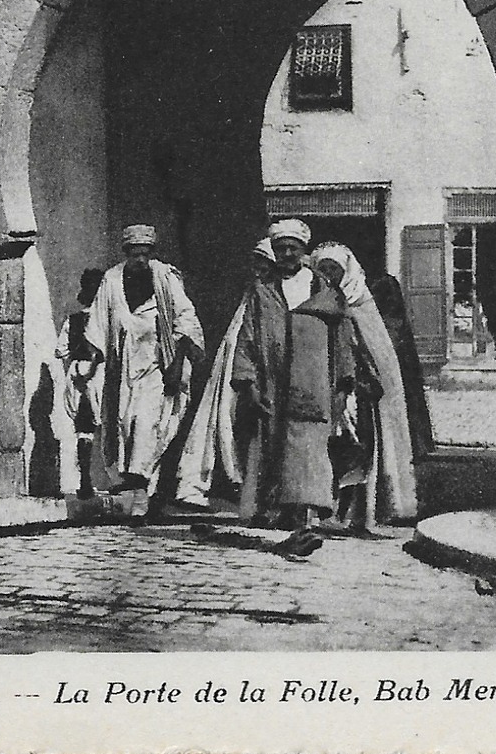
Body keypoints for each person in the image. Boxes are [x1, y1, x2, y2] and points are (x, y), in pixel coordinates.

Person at [231, 219, 355, 541]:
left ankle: (307, 515)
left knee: (310, 446)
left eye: (293, 248)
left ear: (304, 251)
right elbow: (247, 338)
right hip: (274, 381)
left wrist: (343, 384)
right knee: (275, 446)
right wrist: (248, 382)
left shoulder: (324, 290)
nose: (287, 253)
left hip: (314, 382)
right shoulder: (262, 292)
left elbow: (342, 340)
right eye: (281, 248)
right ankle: (280, 510)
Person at [81, 225, 204, 519]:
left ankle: (141, 495)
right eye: (134, 254)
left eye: (145, 254)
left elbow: (185, 319)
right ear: (126, 253)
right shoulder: (111, 280)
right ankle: (134, 494)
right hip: (122, 371)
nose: (140, 261)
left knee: (146, 425)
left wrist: (176, 365)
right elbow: (98, 324)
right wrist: (92, 359)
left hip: (157, 368)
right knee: (123, 425)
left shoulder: (164, 277)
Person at [312, 243, 419, 532]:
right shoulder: (315, 302)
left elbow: (378, 355)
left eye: (334, 269)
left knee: (359, 450)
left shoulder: (361, 305)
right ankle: (325, 509)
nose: (329, 275)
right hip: (324, 386)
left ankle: (357, 512)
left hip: (359, 392)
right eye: (322, 269)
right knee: (329, 450)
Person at [172, 238, 276, 509]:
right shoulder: (250, 297)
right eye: (256, 266)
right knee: (222, 421)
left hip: (261, 370)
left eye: (265, 268)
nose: (258, 272)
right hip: (235, 370)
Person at [371, 273, 436, 459]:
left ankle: (410, 445)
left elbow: (392, 339)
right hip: (399, 365)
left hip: (398, 366)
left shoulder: (393, 318)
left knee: (403, 402)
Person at [56, 267, 107, 500]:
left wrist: (78, 366)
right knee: (109, 425)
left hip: (78, 373)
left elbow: (62, 351)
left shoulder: (73, 321)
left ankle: (85, 479)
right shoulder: (107, 322)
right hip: (100, 376)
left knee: (83, 429)